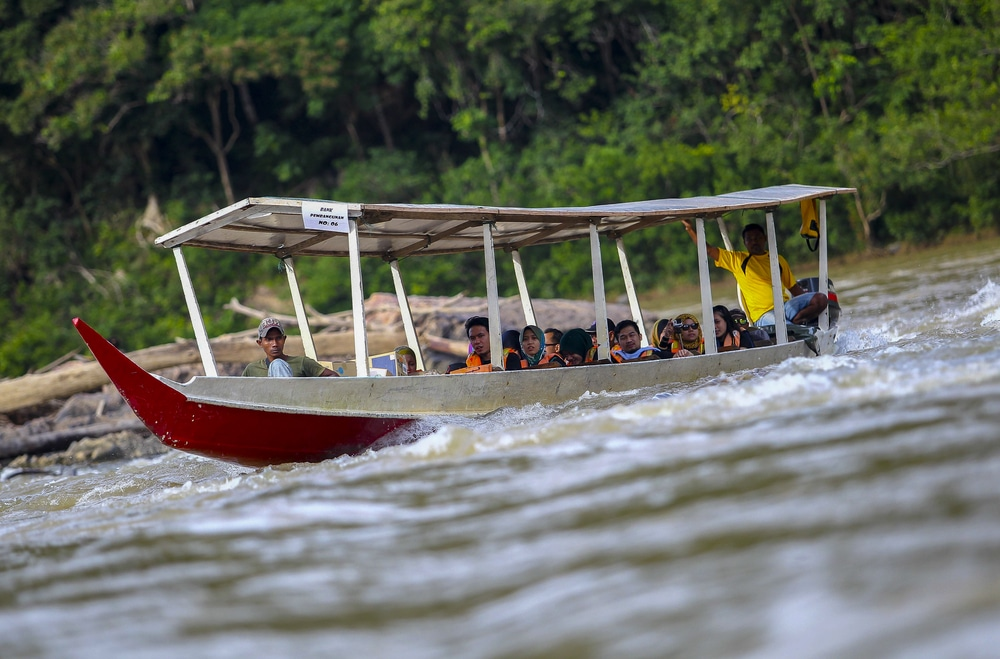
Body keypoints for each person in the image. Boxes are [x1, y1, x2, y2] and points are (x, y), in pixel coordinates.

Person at [681, 219, 828, 326]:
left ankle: (797, 320)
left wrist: (809, 306)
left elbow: (793, 288)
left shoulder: (777, 259)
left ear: (765, 239)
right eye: (749, 239)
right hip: (763, 315)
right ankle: (794, 326)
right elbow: (708, 250)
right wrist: (690, 229)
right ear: (744, 242)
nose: (754, 241)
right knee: (785, 328)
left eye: (757, 238)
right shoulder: (738, 260)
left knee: (821, 298)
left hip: (785, 306)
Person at [242, 317, 337, 377]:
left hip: (295, 402)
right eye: (269, 339)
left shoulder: (302, 363)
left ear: (284, 339)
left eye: (278, 338)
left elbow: (333, 377)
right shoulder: (252, 369)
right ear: (260, 343)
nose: (275, 344)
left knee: (278, 364)